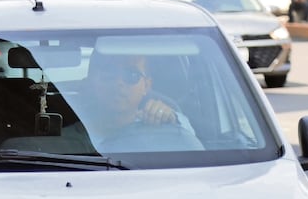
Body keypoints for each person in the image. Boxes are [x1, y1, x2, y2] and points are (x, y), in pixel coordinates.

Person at [62, 52, 203, 152]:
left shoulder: (173, 124)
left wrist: (168, 120)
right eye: (109, 73)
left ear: (147, 85)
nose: (119, 83)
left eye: (131, 75)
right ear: (90, 80)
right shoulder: (61, 126)